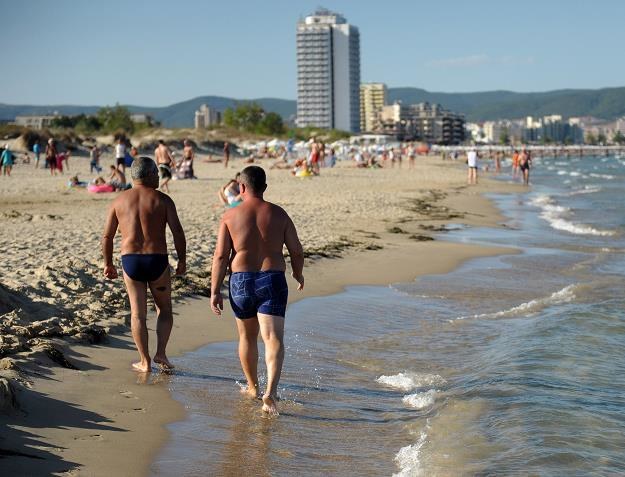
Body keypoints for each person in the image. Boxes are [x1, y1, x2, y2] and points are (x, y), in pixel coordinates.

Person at [210, 166, 304, 416]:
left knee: (247, 337)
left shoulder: (230, 216)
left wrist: (215, 290)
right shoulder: (279, 214)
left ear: (241, 188)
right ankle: (270, 393)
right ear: (264, 187)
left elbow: (220, 256)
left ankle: (252, 387)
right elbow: (296, 250)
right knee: (273, 339)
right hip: (272, 280)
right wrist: (298, 272)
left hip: (240, 281)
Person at [102, 156, 186, 373]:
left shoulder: (119, 201)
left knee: (137, 314)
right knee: (164, 309)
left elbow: (107, 237)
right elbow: (177, 231)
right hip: (156, 260)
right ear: (148, 175)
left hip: (131, 261)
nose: (159, 176)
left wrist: (108, 263)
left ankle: (144, 361)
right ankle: (161, 353)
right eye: (157, 173)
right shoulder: (163, 200)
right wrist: (182, 260)